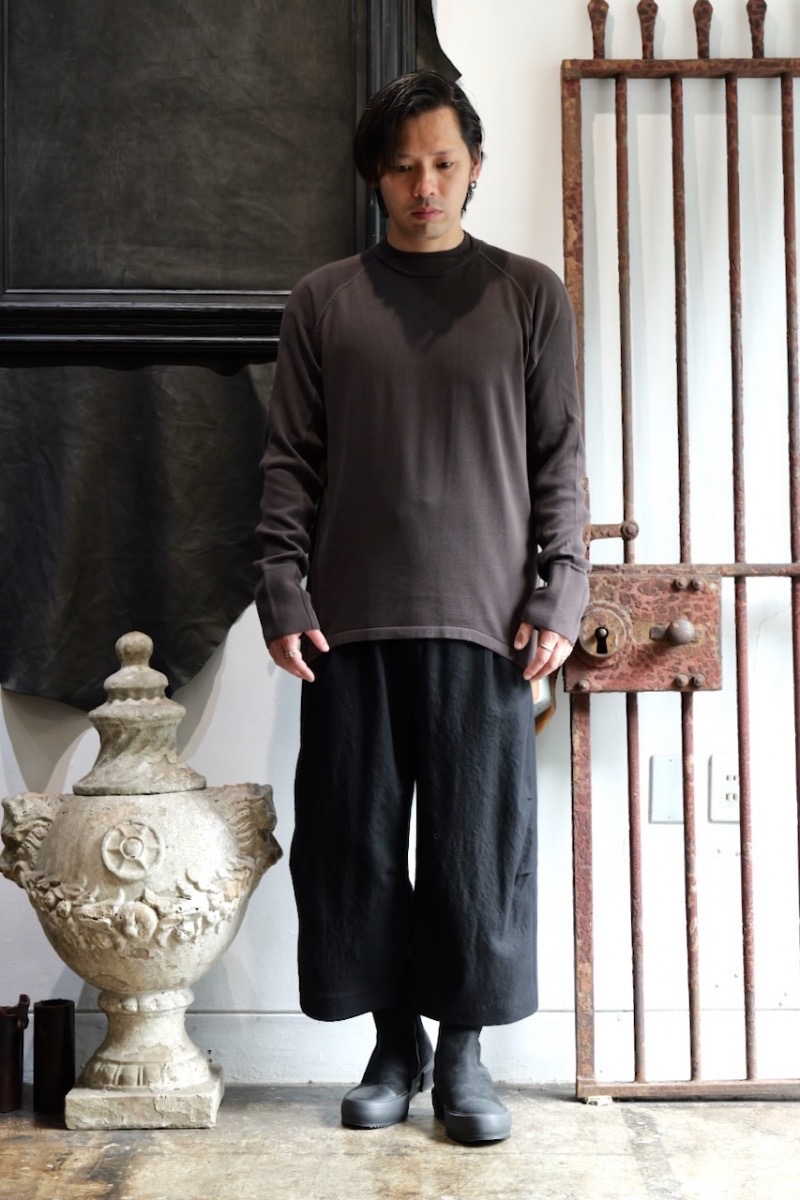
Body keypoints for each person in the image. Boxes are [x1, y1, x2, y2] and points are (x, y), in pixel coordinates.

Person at [254, 70, 589, 1145]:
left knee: (474, 848)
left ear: (475, 166)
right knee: (350, 844)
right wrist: (281, 586)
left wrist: (561, 587)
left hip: (488, 621)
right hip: (348, 620)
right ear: (375, 177)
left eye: (443, 162)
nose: (425, 184)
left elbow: (559, 459)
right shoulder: (324, 300)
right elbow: (290, 460)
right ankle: (391, 1046)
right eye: (403, 166)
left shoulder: (527, 294)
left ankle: (463, 1056)